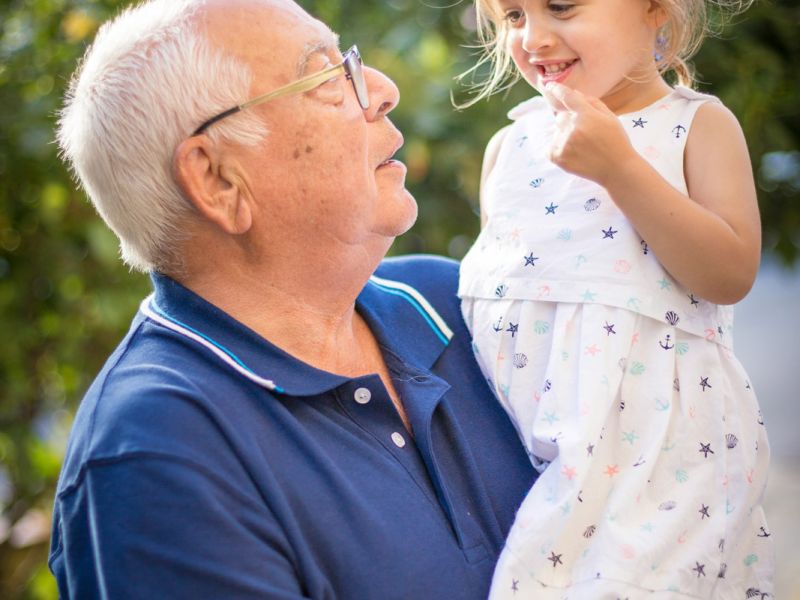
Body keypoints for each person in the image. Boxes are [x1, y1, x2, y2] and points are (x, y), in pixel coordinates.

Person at [48, 0, 537, 597]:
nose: (381, 90)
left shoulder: (456, 300)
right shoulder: (155, 453)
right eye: (328, 78)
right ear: (218, 179)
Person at [457, 0, 773, 597]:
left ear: (655, 8)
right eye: (515, 17)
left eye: (561, 7)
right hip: (524, 460)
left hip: (658, 467)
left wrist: (621, 168)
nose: (535, 38)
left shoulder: (695, 125)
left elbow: (729, 273)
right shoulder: (510, 147)